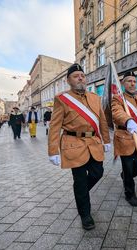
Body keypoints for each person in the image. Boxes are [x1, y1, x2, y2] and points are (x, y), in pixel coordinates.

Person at [48, 63, 111, 230]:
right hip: (73, 145)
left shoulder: (95, 98)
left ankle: (80, 193)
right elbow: (55, 126)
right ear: (68, 80)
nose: (80, 78)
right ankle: (85, 214)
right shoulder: (62, 99)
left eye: (82, 75)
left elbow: (102, 121)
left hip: (94, 143)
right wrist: (53, 150)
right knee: (80, 179)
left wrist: (106, 140)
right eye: (76, 76)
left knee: (98, 173)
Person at [111, 71, 137, 207]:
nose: (132, 83)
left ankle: (125, 176)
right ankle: (130, 194)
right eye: (129, 81)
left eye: (134, 81)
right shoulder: (118, 98)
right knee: (129, 168)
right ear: (123, 83)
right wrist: (128, 120)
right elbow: (116, 112)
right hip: (125, 138)